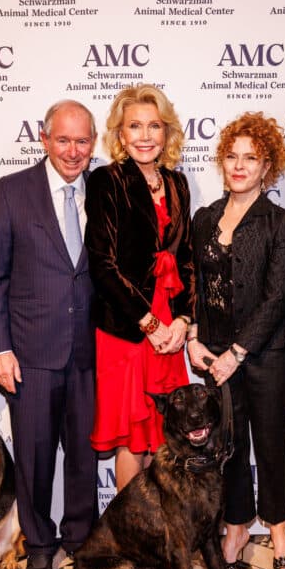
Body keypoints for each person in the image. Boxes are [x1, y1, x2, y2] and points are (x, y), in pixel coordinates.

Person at [0, 100, 98, 569]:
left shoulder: (107, 189)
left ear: (94, 144)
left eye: (83, 141)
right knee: (34, 457)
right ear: (44, 140)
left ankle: (83, 542)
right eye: (63, 140)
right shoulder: (10, 193)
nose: (73, 151)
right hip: (29, 355)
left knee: (86, 459)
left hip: (91, 354)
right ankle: (41, 549)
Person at [187, 112, 285, 569]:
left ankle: (278, 529)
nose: (239, 165)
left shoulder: (281, 222)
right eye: (232, 156)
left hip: (267, 355)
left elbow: (278, 298)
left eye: (250, 158)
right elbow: (195, 283)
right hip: (212, 354)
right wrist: (194, 337)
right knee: (228, 447)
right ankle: (236, 525)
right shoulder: (204, 218)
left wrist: (239, 352)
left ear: (266, 165)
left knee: (270, 444)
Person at [84, 84, 194, 491]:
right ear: (120, 134)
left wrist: (183, 320)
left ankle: (155, 535)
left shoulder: (178, 183)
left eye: (154, 126)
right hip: (128, 329)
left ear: (166, 133)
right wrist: (150, 324)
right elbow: (103, 264)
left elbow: (186, 260)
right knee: (132, 438)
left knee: (161, 436)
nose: (145, 136)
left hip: (169, 326)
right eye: (135, 126)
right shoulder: (106, 181)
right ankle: (127, 541)